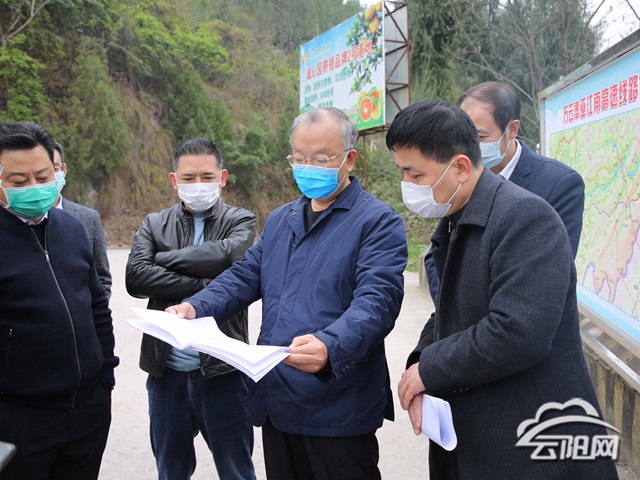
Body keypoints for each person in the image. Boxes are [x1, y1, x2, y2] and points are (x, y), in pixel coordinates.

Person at [167, 107, 407, 480]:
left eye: (321, 159)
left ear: (349, 159)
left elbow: (378, 302)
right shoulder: (283, 219)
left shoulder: (376, 221)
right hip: (277, 397)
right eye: (299, 158)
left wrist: (330, 344)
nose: (307, 167)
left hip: (337, 405)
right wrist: (195, 307)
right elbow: (246, 275)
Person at [389, 100, 618, 480]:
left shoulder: (525, 218)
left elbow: (518, 332)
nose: (408, 186)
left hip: (530, 439)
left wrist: (430, 369)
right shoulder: (456, 216)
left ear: (460, 167)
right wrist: (419, 364)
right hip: (475, 432)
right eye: (402, 173)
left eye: (415, 174)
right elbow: (448, 308)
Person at [125, 137, 257, 480]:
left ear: (222, 177)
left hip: (223, 373)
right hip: (166, 374)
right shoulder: (154, 223)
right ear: (174, 180)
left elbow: (231, 257)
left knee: (237, 470)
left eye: (207, 176)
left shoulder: (240, 220)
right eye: (188, 177)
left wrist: (162, 260)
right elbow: (136, 278)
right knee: (171, 470)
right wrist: (204, 281)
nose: (198, 184)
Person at [0, 121, 118, 479]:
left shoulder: (72, 228)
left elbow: (97, 307)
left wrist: (105, 378)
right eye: (19, 182)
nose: (34, 187)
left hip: (88, 409)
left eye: (43, 176)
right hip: (19, 418)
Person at [424, 81, 585, 300]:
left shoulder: (559, 183)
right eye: (461, 137)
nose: (468, 147)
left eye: (480, 137)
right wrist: (451, 307)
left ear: (512, 129)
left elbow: (550, 271)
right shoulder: (459, 175)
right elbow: (437, 253)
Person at [52, 141, 112, 298]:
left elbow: (102, 279)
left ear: (64, 170)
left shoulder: (88, 218)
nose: (49, 176)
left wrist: (94, 311)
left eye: (55, 168)